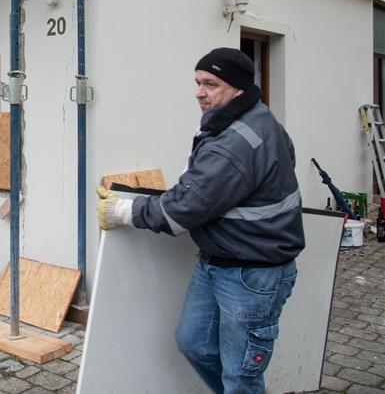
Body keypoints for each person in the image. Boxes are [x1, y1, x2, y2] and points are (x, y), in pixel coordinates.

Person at [96, 47, 305, 393]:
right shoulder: (255, 117)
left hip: (251, 274)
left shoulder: (235, 142)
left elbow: (184, 209)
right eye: (197, 82)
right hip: (221, 261)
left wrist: (124, 211)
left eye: (210, 83)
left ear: (237, 88)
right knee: (194, 342)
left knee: (241, 375)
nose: (199, 92)